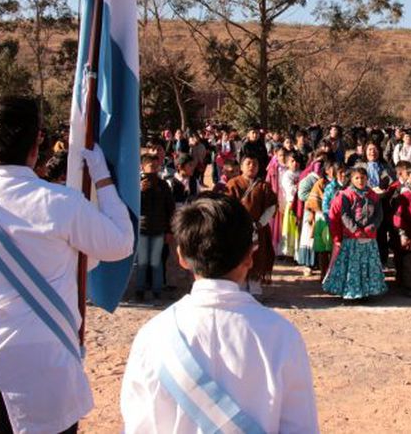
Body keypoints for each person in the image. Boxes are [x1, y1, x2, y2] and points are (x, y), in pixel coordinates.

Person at [0, 96, 133, 433]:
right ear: (36, 145)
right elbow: (120, 243)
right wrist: (103, 179)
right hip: (47, 373)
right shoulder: (60, 203)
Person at [121, 194, 319, 433]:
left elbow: (137, 425)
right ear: (249, 256)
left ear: (181, 256)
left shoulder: (152, 336)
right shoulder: (282, 336)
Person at [322, 164, 387, 300]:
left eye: (363, 177)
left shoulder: (373, 195)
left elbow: (379, 214)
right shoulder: (346, 195)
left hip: (369, 238)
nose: (360, 181)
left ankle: (367, 291)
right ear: (351, 179)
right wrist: (356, 230)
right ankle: (352, 292)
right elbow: (344, 215)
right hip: (352, 239)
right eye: (357, 178)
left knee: (368, 265)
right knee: (353, 267)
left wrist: (371, 227)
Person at [224, 156, 277, 296]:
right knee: (239, 258)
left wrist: (259, 223)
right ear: (241, 167)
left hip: (259, 230)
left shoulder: (264, 186)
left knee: (257, 258)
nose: (251, 166)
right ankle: (239, 290)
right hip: (238, 230)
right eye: (248, 163)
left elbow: (272, 206)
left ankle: (255, 290)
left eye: (255, 163)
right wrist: (238, 224)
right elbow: (227, 207)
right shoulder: (233, 184)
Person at [136, 152, 175, 303]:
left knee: (156, 261)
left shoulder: (163, 185)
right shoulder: (136, 184)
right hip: (143, 228)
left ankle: (157, 289)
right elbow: (133, 206)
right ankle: (140, 289)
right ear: (143, 167)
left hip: (159, 229)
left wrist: (169, 230)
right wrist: (140, 191)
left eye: (156, 166)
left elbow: (170, 208)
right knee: (142, 261)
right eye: (151, 166)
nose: (154, 169)